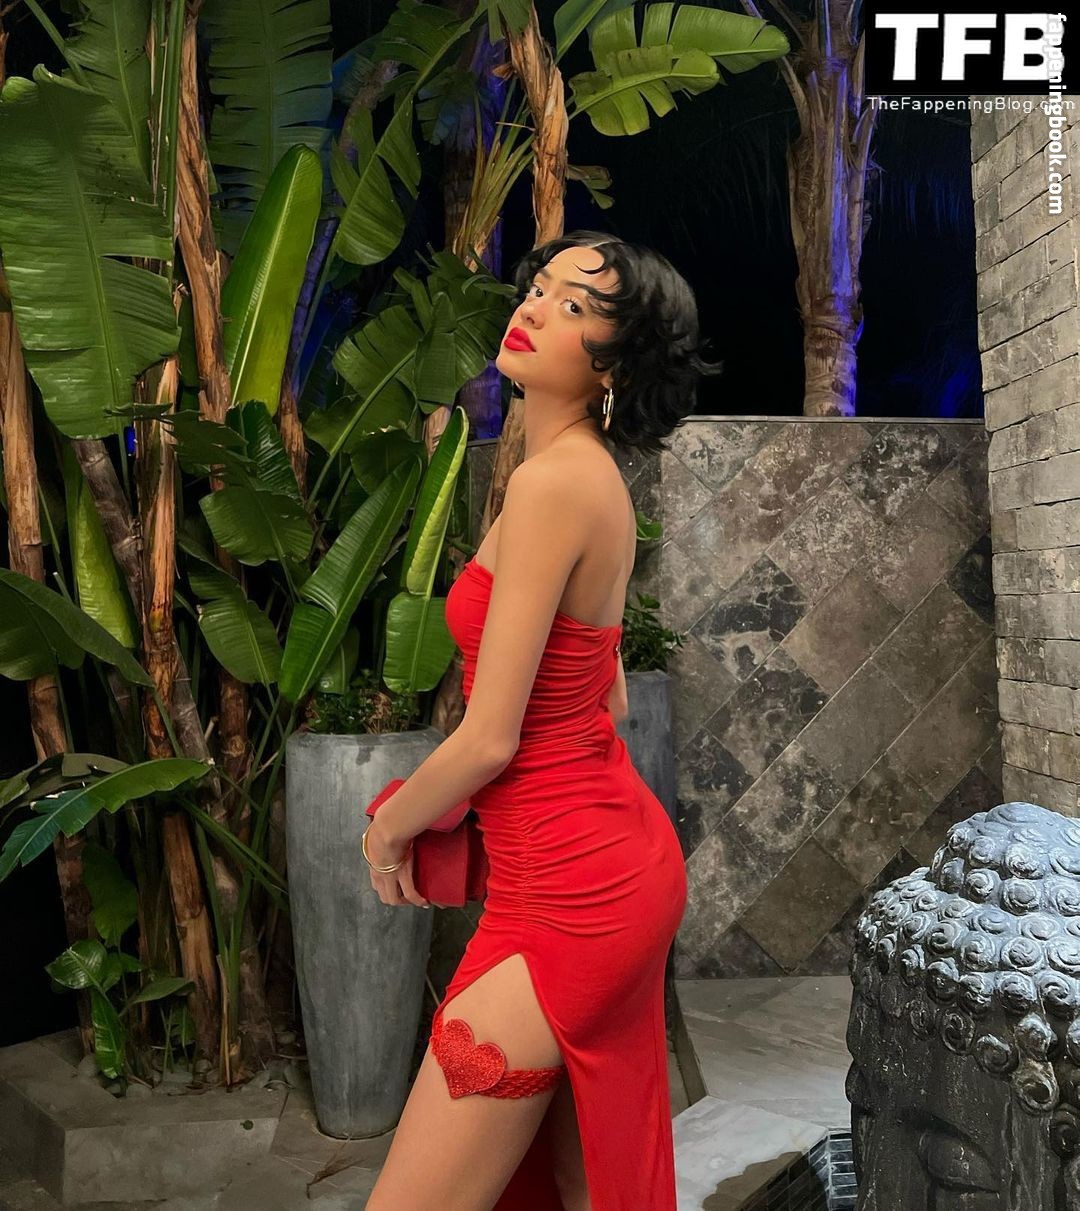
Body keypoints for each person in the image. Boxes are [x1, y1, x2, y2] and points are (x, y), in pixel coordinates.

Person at [362, 231, 722, 1210]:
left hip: (576, 894)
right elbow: (605, 687)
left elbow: (491, 738)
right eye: (540, 286)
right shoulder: (579, 472)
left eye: (573, 306)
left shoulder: (553, 483)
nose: (531, 306)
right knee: (574, 1185)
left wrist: (388, 829)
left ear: (614, 366)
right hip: (585, 868)